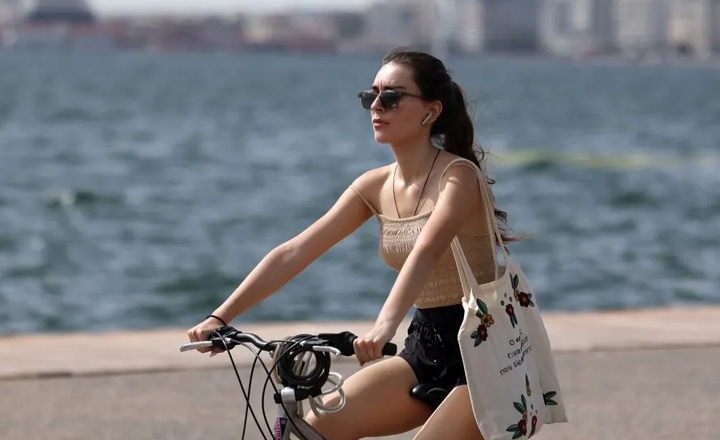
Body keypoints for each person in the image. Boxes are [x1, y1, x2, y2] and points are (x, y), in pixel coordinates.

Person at [187, 48, 519, 440]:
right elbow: (295, 251)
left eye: (391, 97)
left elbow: (426, 252)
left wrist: (382, 328)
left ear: (430, 111)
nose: (376, 106)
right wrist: (220, 317)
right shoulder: (374, 186)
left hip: (482, 354)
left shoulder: (459, 178)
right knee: (315, 427)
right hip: (425, 346)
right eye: (371, 96)